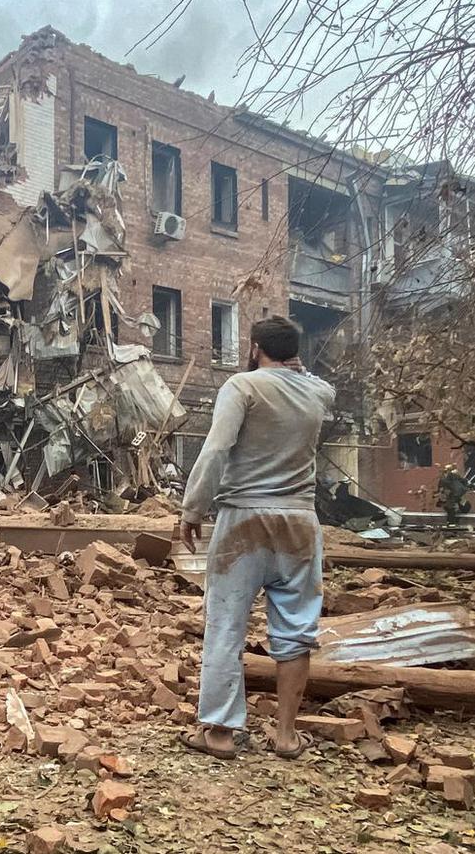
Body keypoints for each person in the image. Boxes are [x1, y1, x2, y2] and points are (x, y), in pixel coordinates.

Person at [176, 315, 335, 760]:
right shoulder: (318, 394)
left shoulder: (242, 388)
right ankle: (285, 736)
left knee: (226, 624)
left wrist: (192, 509)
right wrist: (294, 367)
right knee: (296, 631)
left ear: (253, 348)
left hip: (243, 520)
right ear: (294, 352)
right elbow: (320, 384)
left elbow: (216, 448)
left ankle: (221, 734)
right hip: (300, 523)